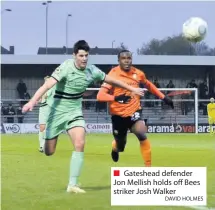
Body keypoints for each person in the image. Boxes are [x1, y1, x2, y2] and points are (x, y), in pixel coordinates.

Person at [22, 40, 144, 194]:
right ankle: (44, 138)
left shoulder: (91, 71)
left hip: (75, 112)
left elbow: (111, 80)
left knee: (80, 143)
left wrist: (131, 88)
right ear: (74, 56)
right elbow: (47, 86)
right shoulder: (66, 66)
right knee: (49, 151)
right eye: (81, 56)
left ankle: (72, 184)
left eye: (86, 55)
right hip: (57, 112)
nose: (84, 59)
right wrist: (32, 101)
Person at [97, 50, 174, 167]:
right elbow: (100, 96)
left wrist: (163, 97)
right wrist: (116, 98)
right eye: (123, 58)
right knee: (121, 145)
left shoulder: (138, 73)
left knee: (141, 132)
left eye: (129, 58)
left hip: (134, 112)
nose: (127, 60)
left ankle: (148, 168)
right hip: (118, 115)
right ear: (118, 61)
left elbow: (148, 85)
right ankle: (115, 147)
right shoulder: (112, 75)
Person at [38, 76, 55, 153]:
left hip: (50, 109)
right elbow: (39, 99)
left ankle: (46, 146)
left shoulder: (53, 89)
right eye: (45, 80)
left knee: (47, 128)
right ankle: (41, 146)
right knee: (42, 127)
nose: (46, 81)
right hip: (42, 109)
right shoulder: (42, 89)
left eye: (47, 80)